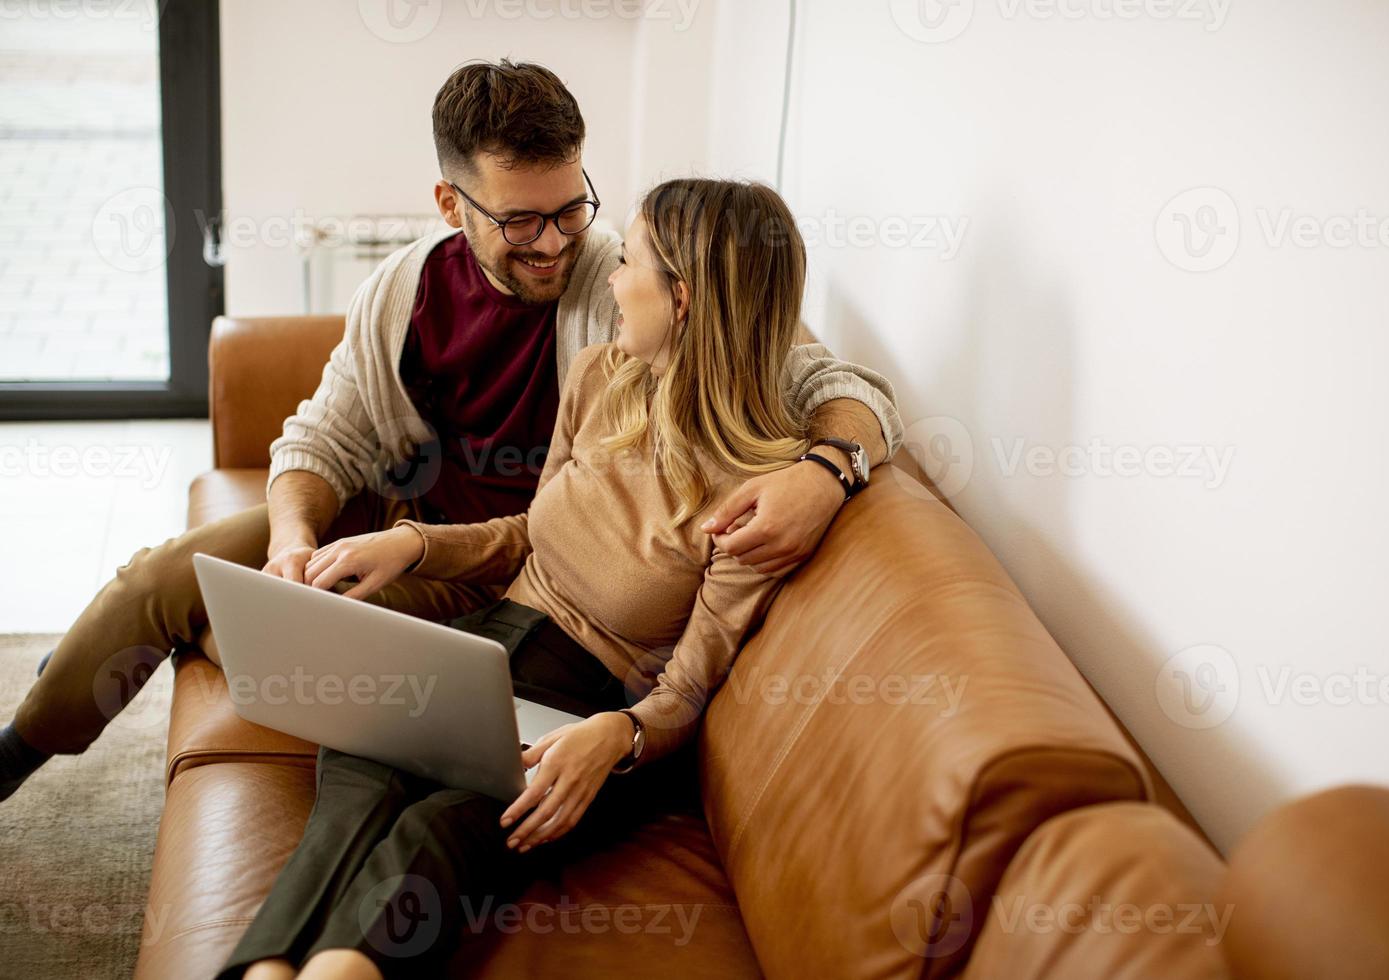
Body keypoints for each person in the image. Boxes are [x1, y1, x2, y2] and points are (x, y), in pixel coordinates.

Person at [0, 60, 902, 801]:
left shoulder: (626, 286)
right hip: (394, 523)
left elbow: (834, 377)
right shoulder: (403, 289)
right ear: (449, 203)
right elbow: (320, 438)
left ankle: (184, 645)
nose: (554, 243)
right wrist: (290, 537)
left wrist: (828, 467)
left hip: (498, 578)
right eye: (519, 220)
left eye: (571, 207)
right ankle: (18, 755)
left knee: (283, 642)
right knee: (159, 577)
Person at [223, 176, 839, 979]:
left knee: (442, 828)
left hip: (593, 711)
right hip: (487, 649)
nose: (609, 276)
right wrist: (413, 545)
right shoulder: (596, 378)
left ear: (683, 298)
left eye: (631, 262)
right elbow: (530, 536)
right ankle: (262, 967)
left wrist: (617, 738)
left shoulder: (757, 492)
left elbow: (690, 688)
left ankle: (345, 969)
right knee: (359, 760)